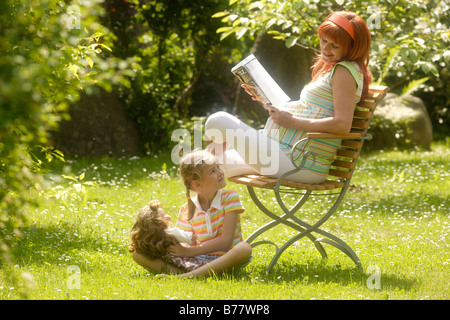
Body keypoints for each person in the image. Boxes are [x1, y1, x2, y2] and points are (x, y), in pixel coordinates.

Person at [205, 11, 372, 184]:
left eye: (335, 46)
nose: (326, 48)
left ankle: (205, 202)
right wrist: (264, 98)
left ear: (351, 48)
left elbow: (342, 125)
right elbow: (311, 112)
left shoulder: (344, 72)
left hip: (301, 162)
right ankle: (204, 208)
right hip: (287, 154)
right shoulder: (335, 69)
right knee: (212, 165)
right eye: (324, 41)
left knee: (217, 120)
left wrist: (292, 122)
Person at [131, 149, 252, 278]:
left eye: (218, 167)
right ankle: (188, 273)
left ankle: (184, 277)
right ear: (197, 184)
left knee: (244, 248)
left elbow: (226, 241)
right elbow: (185, 243)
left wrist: (190, 250)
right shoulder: (187, 210)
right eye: (213, 171)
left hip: (226, 259)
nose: (220, 172)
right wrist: (177, 244)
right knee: (137, 254)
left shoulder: (230, 197)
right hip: (197, 260)